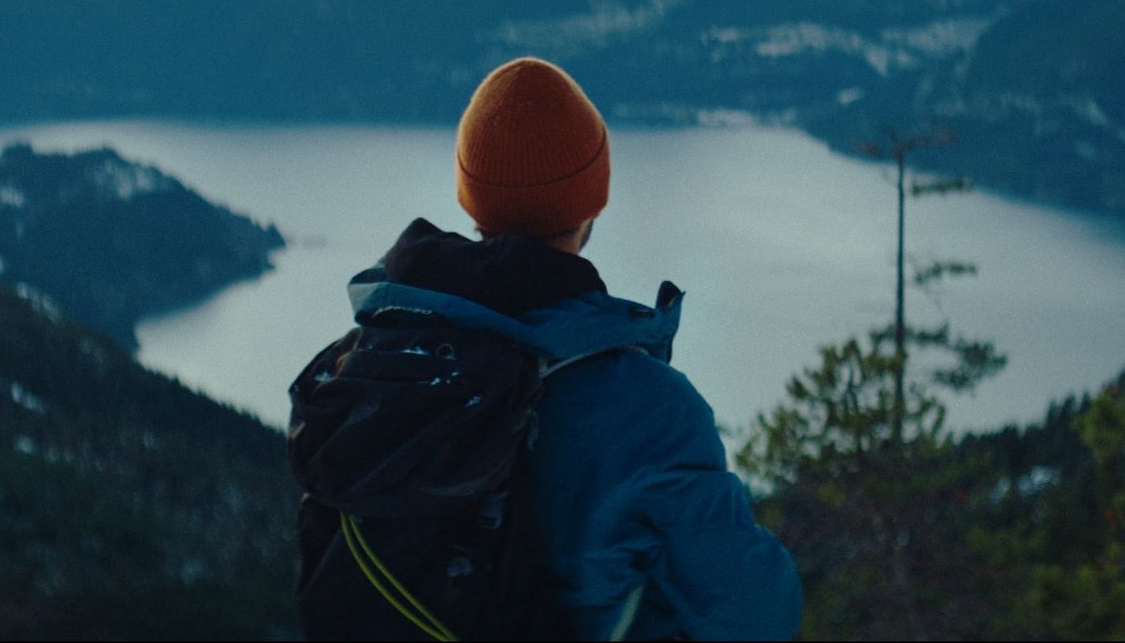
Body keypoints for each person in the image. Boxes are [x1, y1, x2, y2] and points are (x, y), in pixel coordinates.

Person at [314, 57, 803, 640]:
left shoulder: (375, 364)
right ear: (590, 201)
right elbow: (751, 614)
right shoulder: (649, 411)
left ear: (473, 200)